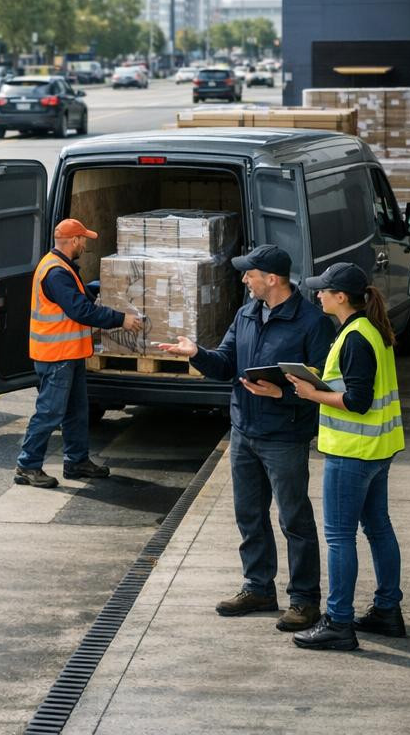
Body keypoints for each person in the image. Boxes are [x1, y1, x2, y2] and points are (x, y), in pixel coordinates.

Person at [156, 243, 335, 633]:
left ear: (272, 279)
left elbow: (324, 384)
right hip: (244, 432)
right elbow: (225, 365)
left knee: (294, 519)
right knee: (249, 516)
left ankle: (304, 600)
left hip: (284, 435)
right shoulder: (246, 313)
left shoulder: (311, 322)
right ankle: (258, 588)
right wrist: (196, 353)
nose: (244, 279)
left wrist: (282, 394)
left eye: (249, 274)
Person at [284, 262, 406, 651]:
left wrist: (312, 394)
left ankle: (338, 622)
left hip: (352, 454)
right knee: (378, 529)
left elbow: (357, 400)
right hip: (377, 450)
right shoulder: (370, 330)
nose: (317, 294)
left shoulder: (355, 337)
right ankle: (387, 611)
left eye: (323, 290)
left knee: (339, 538)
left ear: (341, 297)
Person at [15, 218, 143, 489]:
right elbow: (80, 310)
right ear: (73, 241)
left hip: (69, 354)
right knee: (50, 412)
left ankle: (76, 461)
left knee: (77, 411)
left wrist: (103, 286)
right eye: (83, 239)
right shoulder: (55, 272)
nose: (85, 243)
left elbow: (81, 297)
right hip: (56, 356)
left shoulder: (62, 266)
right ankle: (27, 465)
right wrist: (121, 319)